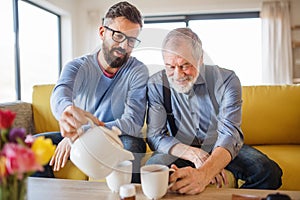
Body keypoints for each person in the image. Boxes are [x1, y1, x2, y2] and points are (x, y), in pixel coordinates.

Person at [146, 28, 282, 194]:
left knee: (268, 172)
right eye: (170, 66)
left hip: (220, 146)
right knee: (151, 172)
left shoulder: (226, 80)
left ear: (200, 58)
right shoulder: (156, 85)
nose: (178, 74)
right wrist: (194, 154)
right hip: (181, 149)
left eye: (185, 65)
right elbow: (155, 136)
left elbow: (230, 134)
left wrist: (206, 171)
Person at [33, 1, 148, 183]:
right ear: (102, 32)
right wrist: (66, 114)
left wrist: (83, 132)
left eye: (131, 40)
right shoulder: (77, 66)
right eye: (118, 36)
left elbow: (133, 123)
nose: (124, 46)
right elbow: (61, 92)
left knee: (133, 146)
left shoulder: (137, 71)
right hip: (79, 136)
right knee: (30, 147)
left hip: (116, 138)